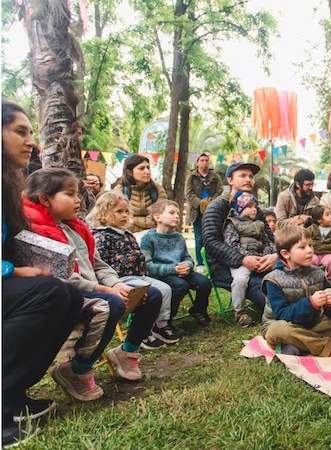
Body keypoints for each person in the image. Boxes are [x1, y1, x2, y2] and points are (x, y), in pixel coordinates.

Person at [23, 168, 162, 389]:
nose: (78, 200)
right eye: (70, 194)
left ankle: (126, 353)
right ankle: (78, 369)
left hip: (98, 288)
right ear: (44, 199)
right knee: (112, 303)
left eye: (78, 193)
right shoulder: (37, 232)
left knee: (150, 294)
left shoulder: (76, 227)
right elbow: (65, 278)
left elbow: (97, 264)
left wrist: (116, 283)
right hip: (70, 296)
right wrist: (107, 291)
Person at [2, 101, 83, 447]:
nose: (30, 140)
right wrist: (12, 269)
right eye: (20, 131)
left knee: (70, 296)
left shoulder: (7, 186)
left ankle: (13, 394)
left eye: (31, 132)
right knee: (48, 293)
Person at [87, 191, 181, 348]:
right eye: (119, 211)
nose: (124, 215)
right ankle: (145, 333)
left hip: (137, 275)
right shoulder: (102, 235)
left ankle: (160, 325)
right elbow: (100, 263)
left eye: (126, 211)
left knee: (165, 288)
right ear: (104, 212)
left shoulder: (128, 234)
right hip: (119, 279)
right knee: (152, 291)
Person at [261, 225, 331, 356]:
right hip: (286, 325)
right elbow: (282, 315)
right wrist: (311, 304)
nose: (310, 250)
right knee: (278, 330)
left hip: (313, 324)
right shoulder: (273, 280)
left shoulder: (318, 272)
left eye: (310, 245)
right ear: (285, 254)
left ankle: (299, 345)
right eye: (302, 247)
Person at [202, 162, 274, 322]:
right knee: (264, 291)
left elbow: (270, 236)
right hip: (226, 266)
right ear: (230, 180)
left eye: (250, 176)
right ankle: (243, 312)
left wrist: (273, 256)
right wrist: (243, 259)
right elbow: (211, 242)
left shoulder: (256, 209)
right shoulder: (216, 207)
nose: (248, 179)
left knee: (287, 279)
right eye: (242, 175)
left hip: (259, 259)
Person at [141, 199, 212, 327]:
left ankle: (198, 310)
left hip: (181, 271)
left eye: (178, 214)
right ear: (157, 217)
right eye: (172, 212)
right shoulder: (149, 238)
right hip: (162, 275)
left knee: (204, 282)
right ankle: (166, 319)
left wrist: (188, 266)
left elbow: (187, 257)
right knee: (180, 286)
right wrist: (173, 269)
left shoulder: (178, 237)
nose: (177, 216)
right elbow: (147, 266)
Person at [223, 193, 275, 327]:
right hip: (242, 261)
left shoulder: (259, 224)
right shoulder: (232, 223)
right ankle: (239, 312)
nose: (254, 209)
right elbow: (232, 245)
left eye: (255, 207)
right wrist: (247, 256)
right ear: (240, 208)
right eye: (250, 206)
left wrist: (265, 255)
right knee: (240, 280)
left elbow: (268, 243)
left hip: (261, 258)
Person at [184, 153, 222, 266]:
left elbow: (219, 191)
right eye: (202, 160)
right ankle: (200, 264)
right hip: (197, 212)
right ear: (197, 162)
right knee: (199, 238)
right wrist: (199, 203)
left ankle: (211, 263)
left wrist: (211, 202)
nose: (204, 162)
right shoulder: (191, 177)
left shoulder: (215, 176)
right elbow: (188, 193)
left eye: (206, 160)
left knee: (211, 237)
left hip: (212, 211)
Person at [113, 154, 168, 233]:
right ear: (129, 172)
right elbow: (117, 218)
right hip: (127, 236)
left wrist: (132, 220)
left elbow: (160, 217)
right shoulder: (120, 190)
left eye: (148, 168)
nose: (147, 171)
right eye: (141, 168)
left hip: (152, 237)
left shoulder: (157, 190)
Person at [307, 205, 331, 288]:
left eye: (330, 214)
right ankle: (312, 281)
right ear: (319, 219)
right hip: (315, 253)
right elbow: (305, 241)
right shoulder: (311, 229)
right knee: (310, 260)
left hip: (329, 253)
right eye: (327, 215)